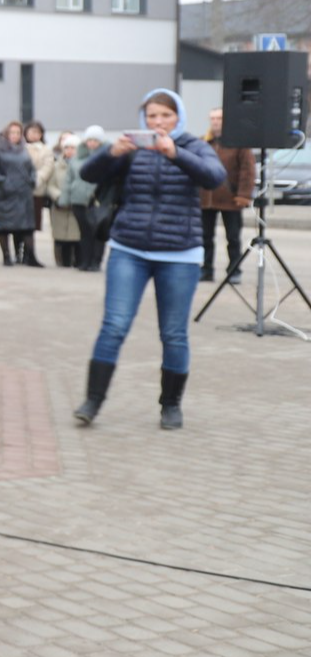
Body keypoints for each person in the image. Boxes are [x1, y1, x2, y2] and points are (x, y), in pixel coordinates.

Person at [74, 89, 226, 430]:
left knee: (173, 334)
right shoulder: (132, 147)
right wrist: (112, 153)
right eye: (152, 116)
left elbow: (214, 177)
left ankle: (170, 405)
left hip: (180, 255)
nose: (158, 122)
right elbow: (87, 175)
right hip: (130, 249)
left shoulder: (193, 146)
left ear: (179, 118)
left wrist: (175, 154)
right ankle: (92, 401)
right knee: (113, 326)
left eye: (166, 116)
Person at [200, 106, 256, 284]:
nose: (215, 122)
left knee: (233, 237)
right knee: (205, 237)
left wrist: (244, 195)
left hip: (231, 199)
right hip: (206, 199)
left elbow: (248, 171)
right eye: (213, 118)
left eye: (219, 118)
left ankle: (234, 270)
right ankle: (206, 269)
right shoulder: (203, 142)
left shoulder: (238, 143)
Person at [0, 121, 39, 267]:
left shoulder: (23, 149)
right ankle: (6, 256)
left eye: (17, 133)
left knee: (27, 227)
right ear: (6, 134)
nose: (15, 136)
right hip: (4, 194)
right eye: (12, 133)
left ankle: (31, 256)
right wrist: (3, 181)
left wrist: (32, 179)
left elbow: (31, 167)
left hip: (23, 193)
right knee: (4, 227)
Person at [70, 126, 110, 272]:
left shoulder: (107, 157)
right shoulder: (77, 157)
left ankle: (96, 261)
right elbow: (69, 179)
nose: (92, 143)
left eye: (95, 140)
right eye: (90, 140)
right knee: (85, 232)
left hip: (97, 201)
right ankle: (85, 261)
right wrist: (66, 198)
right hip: (79, 200)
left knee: (98, 232)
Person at [43, 134, 82, 267]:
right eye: (67, 148)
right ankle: (61, 262)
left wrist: (74, 197)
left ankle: (77, 261)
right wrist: (59, 196)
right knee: (59, 236)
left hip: (76, 206)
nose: (69, 151)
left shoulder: (83, 165)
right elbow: (50, 184)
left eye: (73, 148)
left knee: (76, 236)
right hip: (59, 206)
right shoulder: (55, 166)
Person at [24, 120, 52, 256]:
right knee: (19, 224)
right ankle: (20, 252)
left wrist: (36, 180)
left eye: (37, 132)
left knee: (32, 224)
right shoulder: (20, 148)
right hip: (20, 191)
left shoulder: (46, 150)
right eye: (31, 132)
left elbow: (47, 167)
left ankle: (29, 253)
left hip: (36, 191)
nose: (34, 135)